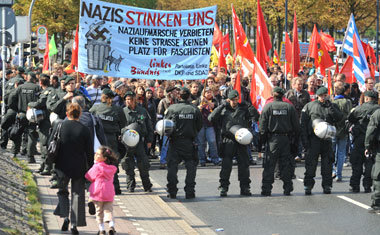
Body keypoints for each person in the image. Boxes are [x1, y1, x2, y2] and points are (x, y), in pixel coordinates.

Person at [208, 90, 259, 197]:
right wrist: (221, 106)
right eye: (232, 100)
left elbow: (256, 116)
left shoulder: (243, 109)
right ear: (229, 99)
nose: (235, 102)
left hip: (242, 140)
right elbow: (211, 118)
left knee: (244, 165)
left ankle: (245, 187)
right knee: (226, 166)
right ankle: (224, 187)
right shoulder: (224, 109)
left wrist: (249, 105)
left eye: (236, 100)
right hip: (228, 140)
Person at [53, 103, 93, 234]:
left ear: (67, 114)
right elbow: (89, 152)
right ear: (80, 114)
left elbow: (50, 143)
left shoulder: (59, 126)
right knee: (77, 194)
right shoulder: (84, 130)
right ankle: (74, 224)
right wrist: (90, 167)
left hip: (61, 165)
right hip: (79, 166)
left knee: (62, 191)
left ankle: (65, 217)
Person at [301, 87, 343, 195]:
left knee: (327, 164)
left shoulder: (332, 106)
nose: (323, 98)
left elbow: (339, 118)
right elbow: (303, 124)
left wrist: (331, 109)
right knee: (311, 164)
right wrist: (305, 140)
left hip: (327, 140)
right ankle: (308, 186)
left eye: (325, 95)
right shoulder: (310, 106)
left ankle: (327, 185)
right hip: (313, 140)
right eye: (321, 96)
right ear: (317, 96)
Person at [259, 87, 300, 196]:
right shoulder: (289, 107)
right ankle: (288, 187)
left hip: (272, 140)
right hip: (286, 139)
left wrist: (262, 142)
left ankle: (266, 189)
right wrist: (295, 141)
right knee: (285, 164)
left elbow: (262, 127)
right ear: (283, 95)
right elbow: (296, 126)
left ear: (273, 95)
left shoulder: (268, 107)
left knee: (269, 165)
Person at [165, 87, 202, 199]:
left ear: (179, 96)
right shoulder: (194, 109)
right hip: (189, 142)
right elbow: (199, 125)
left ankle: (172, 191)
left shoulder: (172, 109)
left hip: (175, 142)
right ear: (189, 96)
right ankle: (190, 191)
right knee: (191, 167)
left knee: (172, 167)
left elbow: (166, 125)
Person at [90, 88, 126, 194]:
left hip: (99, 139)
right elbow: (123, 123)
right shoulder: (118, 109)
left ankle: (98, 187)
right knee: (112, 163)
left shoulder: (96, 108)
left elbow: (90, 119)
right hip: (111, 139)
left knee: (98, 162)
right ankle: (116, 187)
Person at [121, 90, 153, 192]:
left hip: (140, 142)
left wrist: (149, 141)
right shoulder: (123, 112)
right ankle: (130, 185)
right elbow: (119, 127)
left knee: (143, 164)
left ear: (134, 99)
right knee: (128, 165)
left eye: (130, 99)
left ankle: (147, 186)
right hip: (127, 143)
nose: (128, 101)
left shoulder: (142, 111)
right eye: (126, 100)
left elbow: (149, 126)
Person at [348, 90, 379, 193]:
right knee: (370, 163)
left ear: (366, 98)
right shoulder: (378, 110)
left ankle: (355, 185)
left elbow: (350, 119)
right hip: (374, 140)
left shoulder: (359, 109)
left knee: (357, 163)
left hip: (359, 139)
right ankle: (367, 185)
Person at [85, 146, 118, 235]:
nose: (95, 155)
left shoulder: (97, 167)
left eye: (98, 154)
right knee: (109, 210)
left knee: (99, 211)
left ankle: (102, 229)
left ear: (104, 158)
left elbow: (88, 176)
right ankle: (111, 226)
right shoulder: (111, 168)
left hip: (98, 192)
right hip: (109, 192)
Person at [331, 82, 352, 182]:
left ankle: (332, 171)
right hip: (343, 130)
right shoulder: (348, 102)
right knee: (341, 153)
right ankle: (339, 174)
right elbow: (350, 115)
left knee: (331, 152)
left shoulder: (331, 102)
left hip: (332, 130)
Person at [365, 108, 380, 213]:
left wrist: (368, 146)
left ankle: (377, 203)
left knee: (378, 175)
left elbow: (371, 130)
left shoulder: (378, 113)